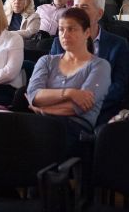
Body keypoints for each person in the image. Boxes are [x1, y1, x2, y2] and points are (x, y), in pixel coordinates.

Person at [27, 8, 110, 153]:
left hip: (75, 129)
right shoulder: (46, 61)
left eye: (71, 29)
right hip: (40, 123)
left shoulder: (100, 65)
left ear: (87, 32)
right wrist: (70, 93)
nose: (64, 35)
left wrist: (43, 109)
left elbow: (80, 107)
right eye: (61, 29)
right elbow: (34, 95)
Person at [50, 0, 129, 124]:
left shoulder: (118, 45)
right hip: (62, 110)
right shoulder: (60, 42)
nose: (77, 12)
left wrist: (87, 103)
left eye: (84, 7)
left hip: (100, 112)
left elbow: (119, 86)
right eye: (75, 7)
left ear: (99, 14)